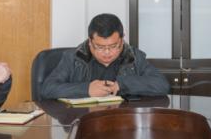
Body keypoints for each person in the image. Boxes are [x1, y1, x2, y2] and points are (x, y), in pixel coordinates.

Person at [39, 13, 169, 100]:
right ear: (90, 42)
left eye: (113, 46)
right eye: (100, 47)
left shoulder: (134, 57)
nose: (107, 52)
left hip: (122, 121)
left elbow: (161, 85)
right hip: (84, 121)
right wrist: (86, 89)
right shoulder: (73, 58)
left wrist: (122, 85)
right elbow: (48, 88)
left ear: (122, 40)